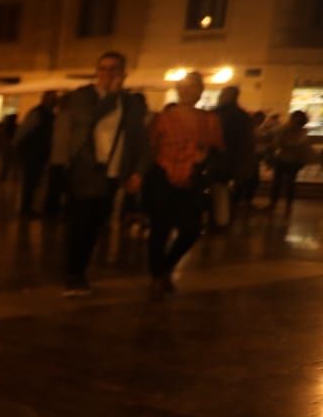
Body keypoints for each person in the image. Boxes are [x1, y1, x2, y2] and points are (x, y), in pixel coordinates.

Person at [51, 51, 150, 296]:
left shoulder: (132, 103)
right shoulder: (83, 96)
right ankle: (74, 275)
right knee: (81, 222)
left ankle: (79, 271)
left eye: (113, 69)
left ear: (123, 73)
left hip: (113, 171)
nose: (107, 74)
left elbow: (139, 139)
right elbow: (88, 119)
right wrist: (112, 95)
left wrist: (138, 171)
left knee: (97, 222)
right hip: (85, 168)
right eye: (103, 69)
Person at [144, 72, 223, 298]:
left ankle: (166, 267)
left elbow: (218, 150)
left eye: (194, 87)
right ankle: (157, 275)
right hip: (162, 175)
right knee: (160, 228)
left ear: (201, 91)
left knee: (191, 229)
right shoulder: (162, 118)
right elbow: (150, 147)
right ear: (178, 89)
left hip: (193, 178)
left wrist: (206, 157)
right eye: (184, 86)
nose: (189, 91)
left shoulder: (210, 120)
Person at [215, 86, 257, 217]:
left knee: (217, 192)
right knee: (231, 193)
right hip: (237, 162)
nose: (220, 96)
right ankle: (226, 218)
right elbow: (248, 141)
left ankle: (218, 220)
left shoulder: (218, 114)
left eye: (222, 94)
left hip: (218, 161)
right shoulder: (243, 116)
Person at [15, 91, 58, 218]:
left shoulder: (48, 114)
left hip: (40, 154)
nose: (54, 102)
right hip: (32, 154)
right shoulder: (38, 113)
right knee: (30, 182)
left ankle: (28, 208)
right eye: (52, 99)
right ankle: (25, 209)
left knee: (34, 182)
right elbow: (24, 131)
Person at [268, 110, 312, 216]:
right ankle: (279, 205)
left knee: (287, 183)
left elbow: (291, 144)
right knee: (280, 183)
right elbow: (280, 143)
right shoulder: (287, 129)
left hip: (291, 160)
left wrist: (286, 144)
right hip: (285, 159)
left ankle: (283, 205)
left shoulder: (299, 131)